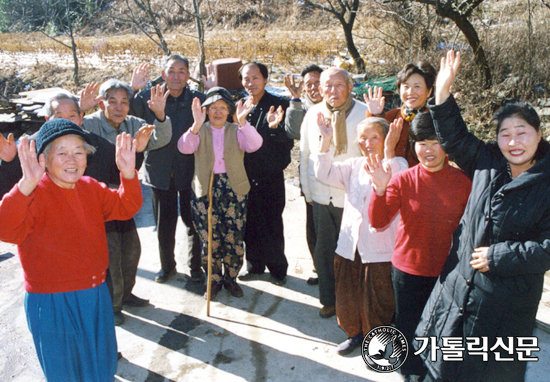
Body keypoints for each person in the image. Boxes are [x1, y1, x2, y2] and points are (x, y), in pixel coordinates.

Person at [414, 51, 550, 382]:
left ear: (538, 134)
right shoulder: (487, 161)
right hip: (458, 287)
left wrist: (500, 255)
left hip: (507, 303)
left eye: (522, 132)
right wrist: (442, 92)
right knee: (440, 365)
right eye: (505, 133)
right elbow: (455, 136)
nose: (513, 141)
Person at [0, 119, 143, 381]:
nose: (72, 159)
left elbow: (126, 206)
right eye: (62, 152)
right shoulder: (32, 192)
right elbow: (6, 231)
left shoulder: (90, 187)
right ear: (43, 159)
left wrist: (128, 174)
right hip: (52, 301)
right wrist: (25, 185)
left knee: (101, 367)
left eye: (79, 152)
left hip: (96, 295)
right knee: (65, 373)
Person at [366, 110, 471, 381]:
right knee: (408, 324)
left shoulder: (464, 182)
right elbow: (378, 221)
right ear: (414, 145)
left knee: (444, 326)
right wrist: (379, 190)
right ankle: (409, 371)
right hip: (408, 269)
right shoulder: (403, 179)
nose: (429, 149)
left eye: (436, 142)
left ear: (446, 144)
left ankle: (438, 369)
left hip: (448, 272)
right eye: (422, 142)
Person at [315, 115, 408, 355]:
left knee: (378, 299)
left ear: (387, 139)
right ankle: (354, 334)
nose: (367, 143)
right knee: (347, 295)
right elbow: (323, 173)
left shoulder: (398, 164)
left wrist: (388, 151)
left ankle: (376, 340)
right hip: (349, 245)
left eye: (374, 137)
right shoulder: (354, 165)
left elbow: (397, 182)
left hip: (380, 248)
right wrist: (326, 140)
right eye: (363, 138)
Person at [82, 79, 172, 325]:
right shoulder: (87, 123)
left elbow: (161, 138)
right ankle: (112, 305)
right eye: (112, 102)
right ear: (101, 104)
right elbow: (63, 131)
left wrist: (161, 116)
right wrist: (79, 110)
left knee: (131, 250)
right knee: (109, 254)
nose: (118, 107)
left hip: (124, 196)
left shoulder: (134, 124)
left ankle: (127, 293)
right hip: (96, 197)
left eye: (124, 102)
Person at [178, 87, 262, 299]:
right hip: (206, 188)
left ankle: (231, 279)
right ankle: (213, 280)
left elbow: (255, 144)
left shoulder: (237, 129)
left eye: (222, 108)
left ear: (229, 111)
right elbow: (184, 148)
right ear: (205, 110)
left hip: (234, 188)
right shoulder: (199, 129)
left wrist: (243, 122)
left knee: (233, 237)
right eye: (213, 108)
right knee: (210, 238)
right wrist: (195, 125)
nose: (217, 112)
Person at [130, 55, 206, 284]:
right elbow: (127, 115)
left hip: (190, 171)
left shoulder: (197, 99)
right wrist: (133, 88)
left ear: (188, 76)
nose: (176, 76)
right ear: (163, 74)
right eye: (171, 71)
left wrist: (212, 89)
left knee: (193, 222)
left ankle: (195, 267)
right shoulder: (146, 98)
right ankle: (167, 266)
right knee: (164, 224)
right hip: (160, 170)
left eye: (182, 71)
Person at [300, 67, 368, 318]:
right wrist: (308, 192)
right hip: (321, 196)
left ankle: (354, 301)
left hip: (352, 198)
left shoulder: (364, 113)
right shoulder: (313, 114)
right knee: (324, 251)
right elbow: (306, 155)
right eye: (327, 86)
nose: (333, 91)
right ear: (320, 89)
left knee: (354, 254)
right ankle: (329, 300)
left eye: (339, 85)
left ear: (350, 87)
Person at [237, 61, 294, 286]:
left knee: (271, 223)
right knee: (249, 222)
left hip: (270, 175)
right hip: (246, 174)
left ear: (265, 79)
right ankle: (255, 265)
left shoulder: (279, 104)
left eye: (255, 78)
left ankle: (278, 269)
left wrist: (274, 129)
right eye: (246, 79)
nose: (250, 83)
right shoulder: (241, 105)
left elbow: (286, 142)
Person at [284, 64, 323, 285]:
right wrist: (296, 100)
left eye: (317, 82)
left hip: (337, 177)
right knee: (313, 222)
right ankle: (318, 266)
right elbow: (293, 132)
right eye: (309, 84)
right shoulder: (303, 107)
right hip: (310, 173)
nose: (313, 87)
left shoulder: (339, 105)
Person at [364, 60, 436, 166]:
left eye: (417, 86)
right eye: (406, 87)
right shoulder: (392, 116)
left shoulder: (435, 119)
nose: (410, 92)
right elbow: (371, 145)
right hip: (393, 178)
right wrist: (374, 115)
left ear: (429, 91)